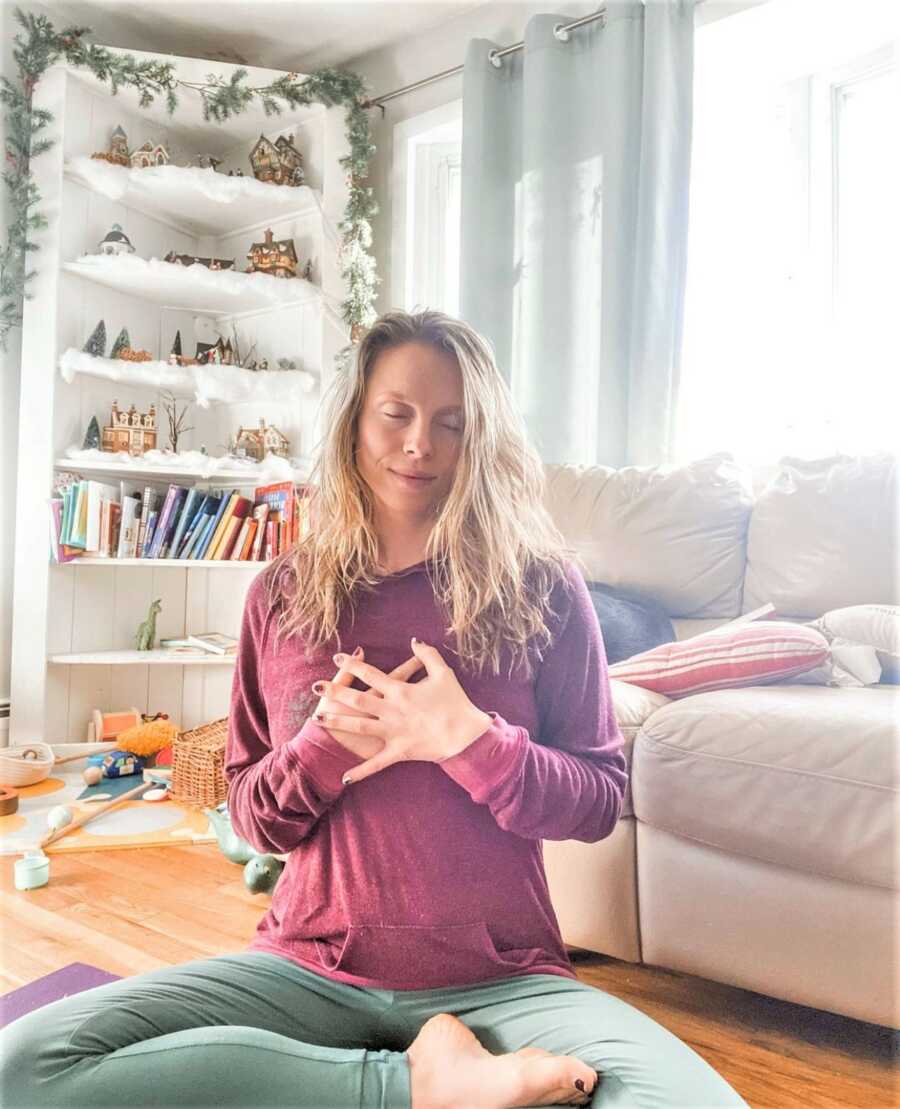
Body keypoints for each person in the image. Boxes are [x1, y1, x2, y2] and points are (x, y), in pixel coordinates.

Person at [0, 311, 747, 1109]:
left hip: (505, 979)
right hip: (306, 968)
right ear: (356, 419)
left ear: (481, 439)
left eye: (451, 423)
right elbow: (253, 817)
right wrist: (321, 746)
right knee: (26, 1062)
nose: (420, 442)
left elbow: (600, 799)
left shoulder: (543, 587)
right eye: (396, 414)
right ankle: (418, 1087)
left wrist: (475, 743)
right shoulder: (280, 593)